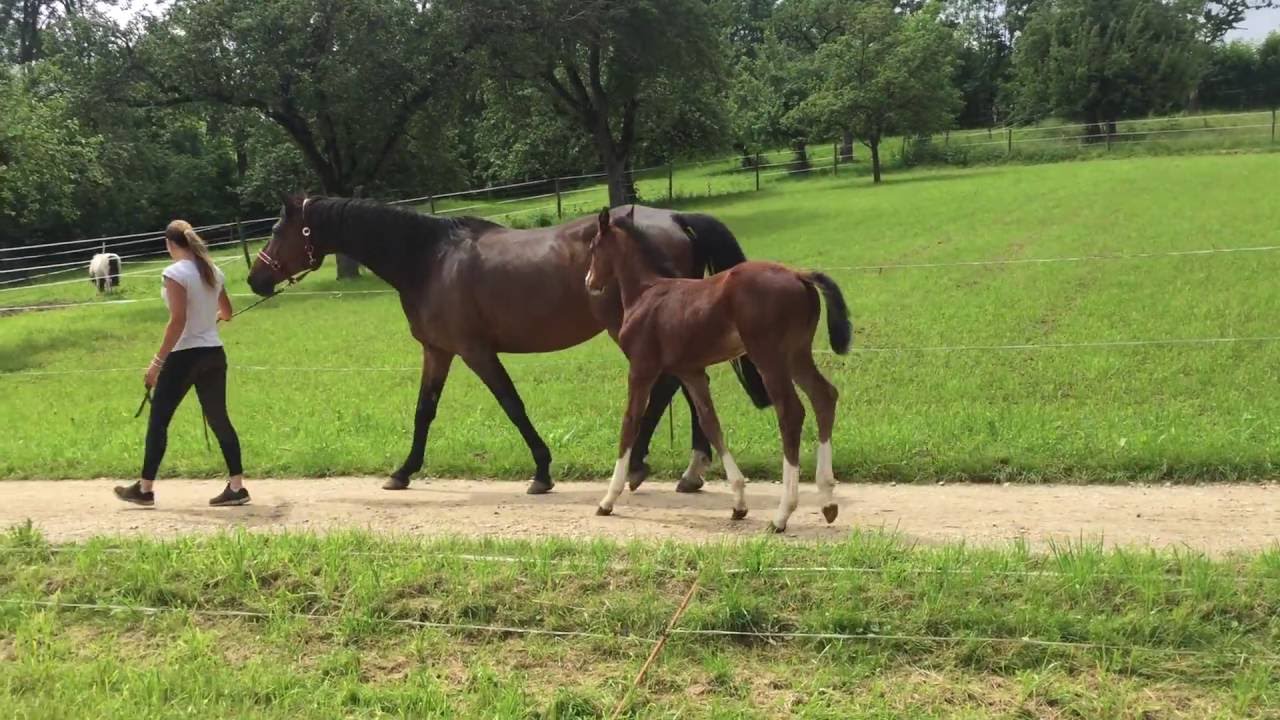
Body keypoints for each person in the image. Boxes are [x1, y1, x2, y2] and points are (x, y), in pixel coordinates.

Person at [114, 220, 249, 507]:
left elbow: (178, 321)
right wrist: (208, 321)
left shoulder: (174, 273)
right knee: (219, 419)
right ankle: (237, 486)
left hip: (184, 356)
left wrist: (156, 363)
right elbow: (227, 312)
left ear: (170, 243)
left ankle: (145, 489)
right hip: (214, 352)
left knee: (159, 420)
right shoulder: (213, 270)